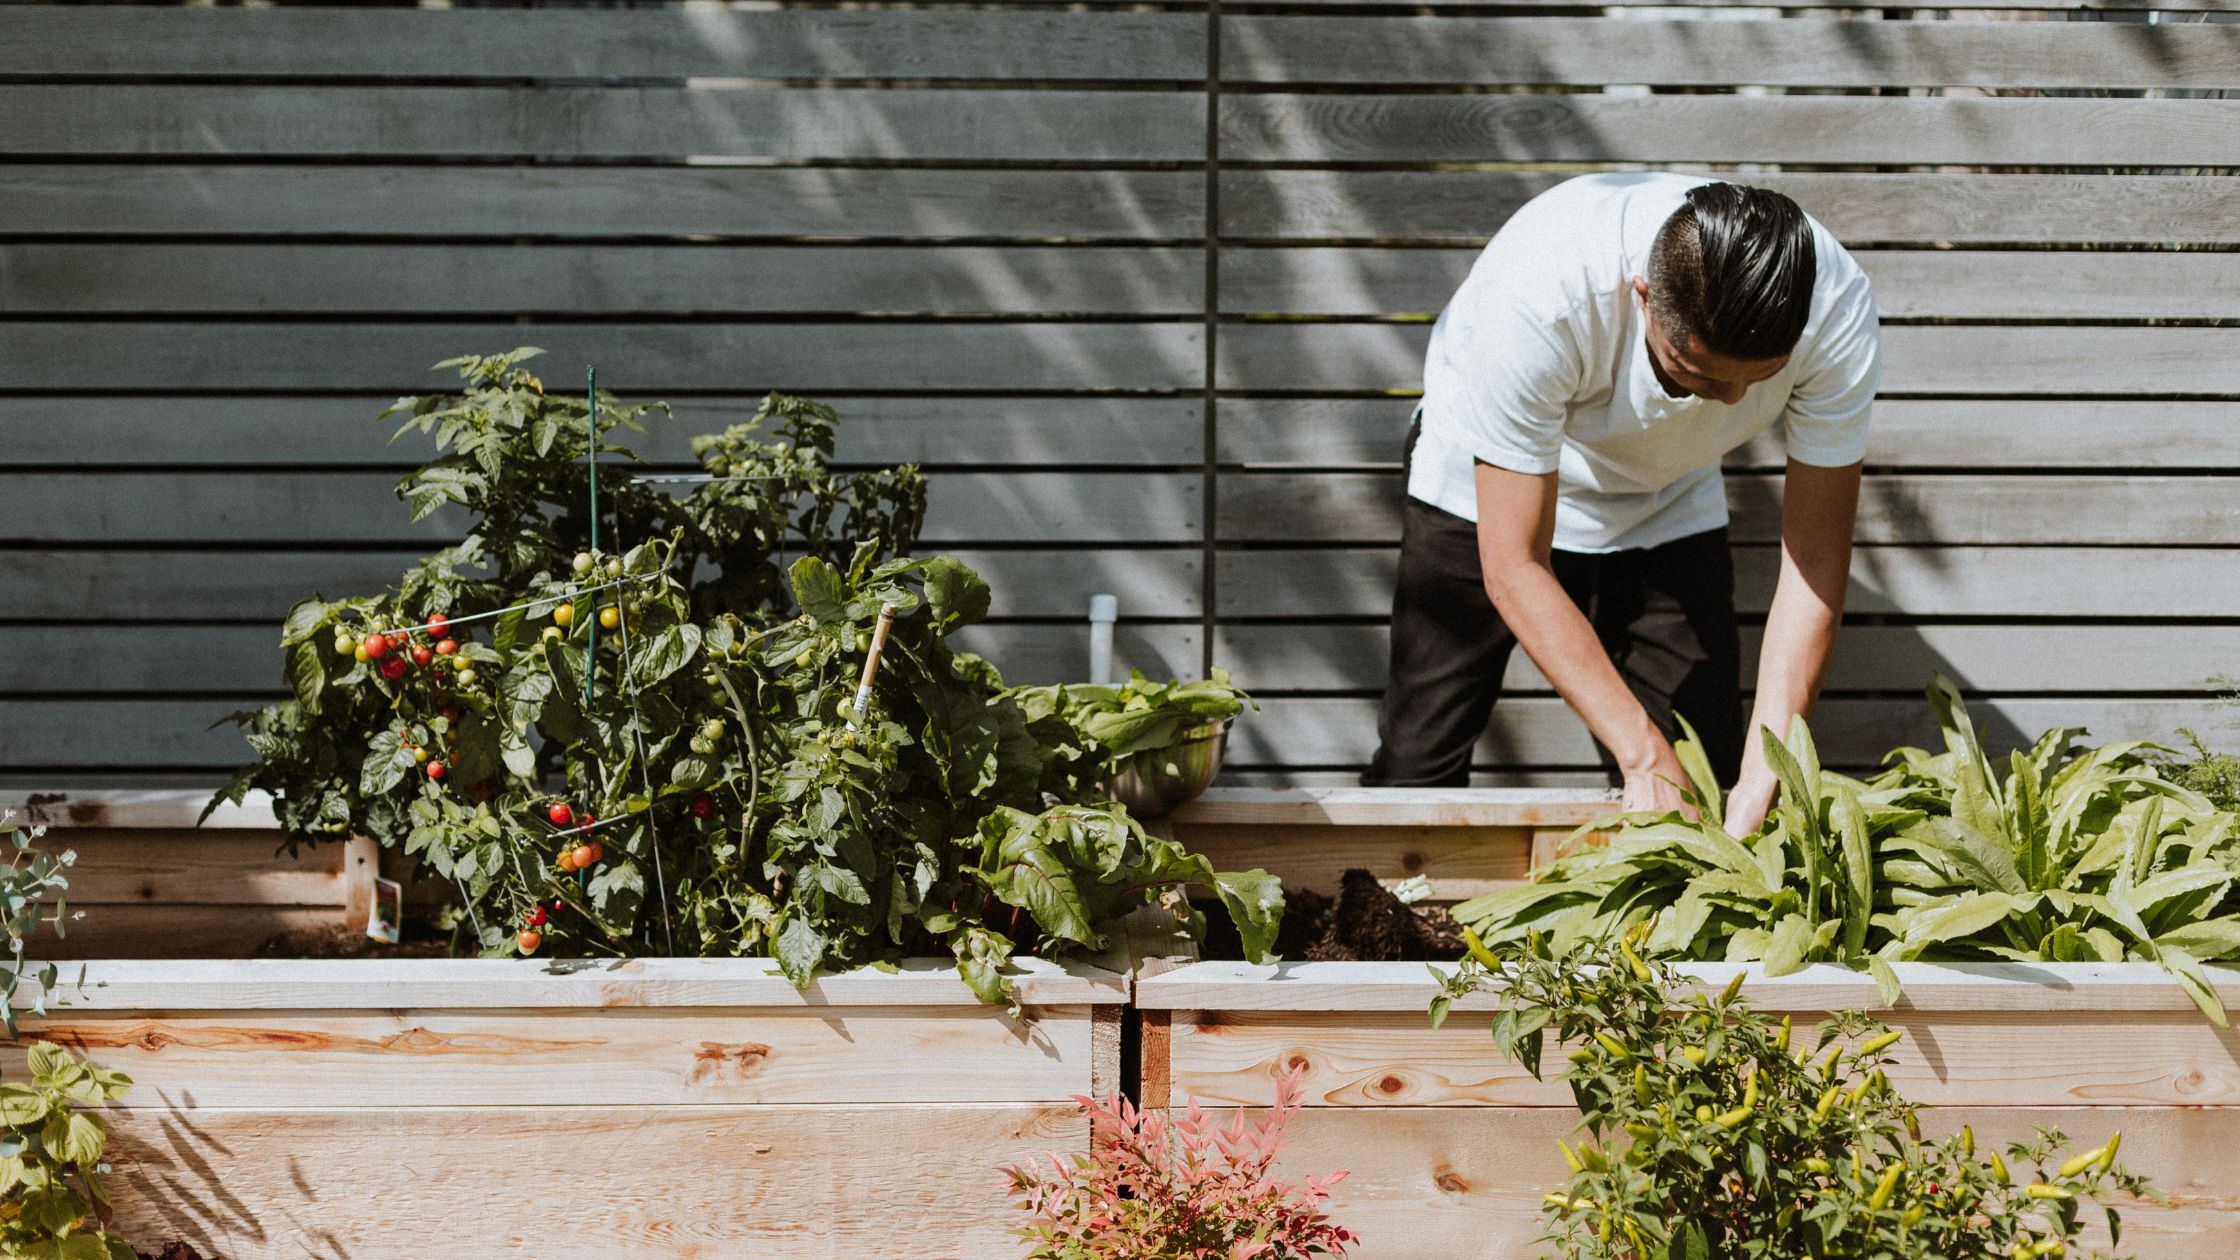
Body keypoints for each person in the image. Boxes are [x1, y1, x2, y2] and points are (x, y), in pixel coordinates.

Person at [1363, 174, 1881, 836]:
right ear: (1644, 297)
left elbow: (1813, 557)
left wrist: (1767, 768)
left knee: (1701, 776)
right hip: (1480, 487)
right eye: (1695, 374)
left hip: (1666, 495)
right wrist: (1639, 754)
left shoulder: (1835, 309)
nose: (1728, 403)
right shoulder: (1541, 296)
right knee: (1418, 767)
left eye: (1757, 382)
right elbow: (1515, 564)